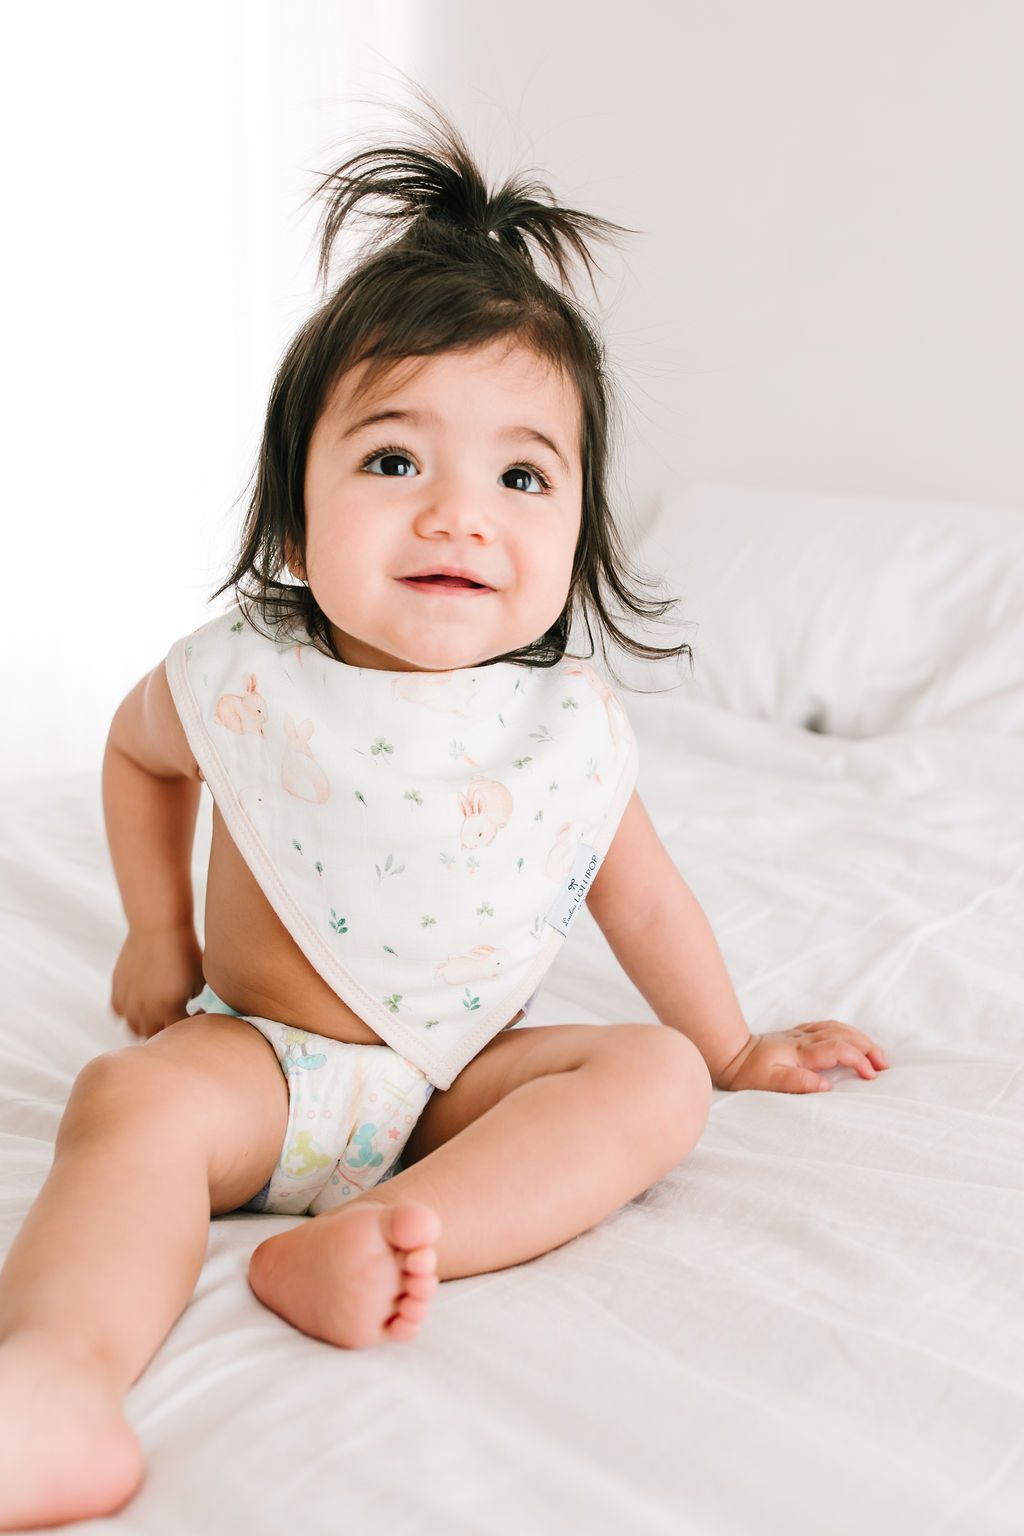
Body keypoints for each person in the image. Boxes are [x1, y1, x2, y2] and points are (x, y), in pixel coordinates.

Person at [0, 89, 888, 1529]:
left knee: (654, 1079)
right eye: (394, 459)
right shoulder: (244, 676)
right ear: (295, 514)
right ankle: (58, 1380)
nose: (459, 512)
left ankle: (381, 1235)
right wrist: (157, 931)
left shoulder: (569, 730)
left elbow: (642, 897)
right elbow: (138, 757)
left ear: (578, 534)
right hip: (268, 1069)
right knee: (128, 1103)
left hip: (455, 1092)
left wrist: (730, 1046)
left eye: (521, 474)